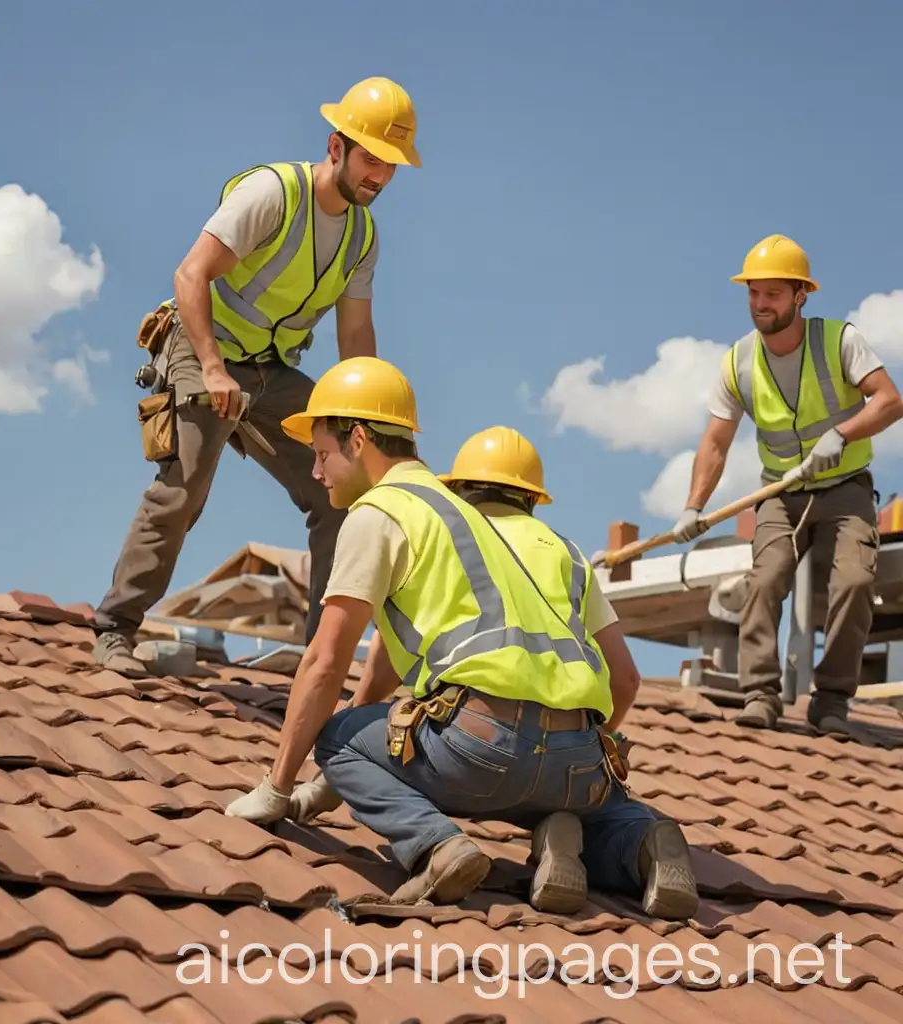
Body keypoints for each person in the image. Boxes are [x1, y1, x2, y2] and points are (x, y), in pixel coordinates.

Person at [225, 359, 700, 921]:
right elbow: (625, 678)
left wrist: (280, 787)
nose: (317, 469)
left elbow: (326, 663)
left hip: (482, 746)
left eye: (322, 452)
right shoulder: (484, 524)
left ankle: (437, 846)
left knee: (334, 734)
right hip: (578, 753)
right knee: (585, 805)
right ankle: (634, 837)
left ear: (357, 439)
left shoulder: (380, 513)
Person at [91, 77, 422, 676]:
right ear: (336, 147)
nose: (380, 175)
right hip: (202, 349)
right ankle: (115, 629)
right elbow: (190, 275)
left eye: (392, 165)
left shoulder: (362, 237)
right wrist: (213, 370)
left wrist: (367, 426)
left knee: (345, 494)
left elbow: (355, 340)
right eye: (372, 158)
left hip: (274, 372)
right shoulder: (274, 194)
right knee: (184, 487)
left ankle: (323, 656)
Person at [671, 234, 903, 733]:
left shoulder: (840, 340)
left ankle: (833, 701)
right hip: (780, 493)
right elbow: (715, 442)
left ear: (801, 295)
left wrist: (840, 435)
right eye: (753, 293)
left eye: (772, 294)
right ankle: (761, 695)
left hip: (845, 488)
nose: (760, 304)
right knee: (765, 578)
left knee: (857, 581)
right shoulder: (737, 363)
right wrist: (693, 506)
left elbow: (889, 400)